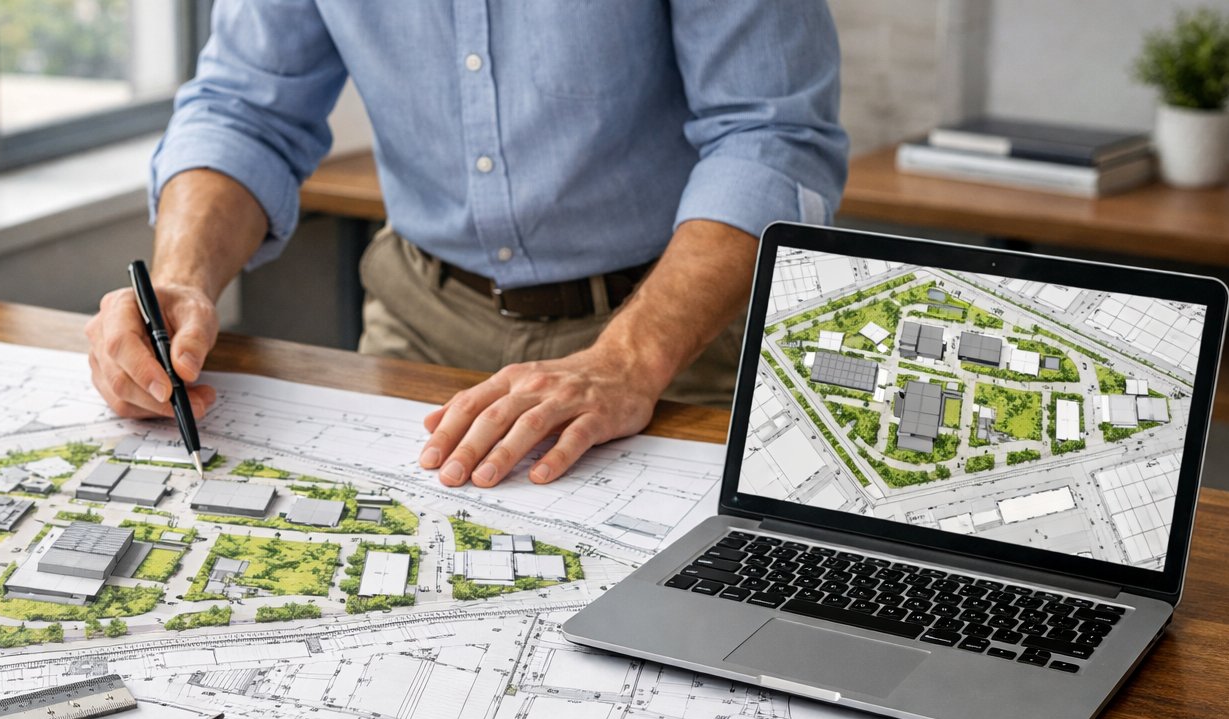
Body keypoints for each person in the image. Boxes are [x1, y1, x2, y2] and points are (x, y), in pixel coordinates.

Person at [86, 1, 847, 487]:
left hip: (672, 337)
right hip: (418, 320)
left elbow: (772, 136)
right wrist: (182, 282)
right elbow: (245, 110)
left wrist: (628, 361)